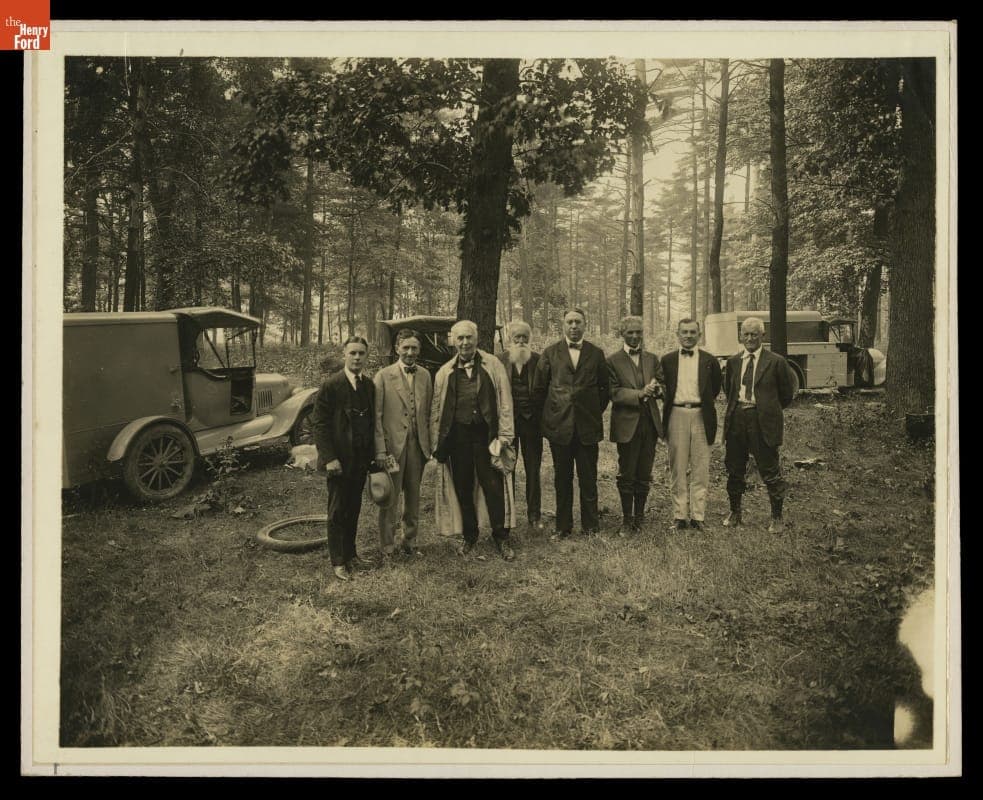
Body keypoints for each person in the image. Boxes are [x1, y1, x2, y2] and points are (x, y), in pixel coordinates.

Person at [431, 320, 517, 560]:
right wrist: (436, 442)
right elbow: (436, 409)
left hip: (486, 437)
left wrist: (505, 436)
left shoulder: (493, 365)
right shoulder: (444, 372)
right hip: (458, 438)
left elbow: (506, 402)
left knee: (493, 486)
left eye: (469, 337)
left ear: (477, 339)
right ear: (453, 341)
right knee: (463, 487)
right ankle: (470, 536)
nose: (465, 342)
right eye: (460, 338)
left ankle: (501, 536)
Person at [534, 307, 610, 540]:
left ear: (585, 325)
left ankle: (591, 527)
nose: (574, 326)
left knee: (588, 478)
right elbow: (539, 389)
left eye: (578, 322)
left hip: (587, 427)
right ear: (563, 325)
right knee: (562, 479)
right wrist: (553, 417)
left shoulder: (596, 354)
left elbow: (604, 390)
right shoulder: (550, 353)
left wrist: (591, 411)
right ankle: (562, 527)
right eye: (570, 322)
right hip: (560, 429)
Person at [722, 316, 796, 534]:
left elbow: (787, 394)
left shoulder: (776, 361)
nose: (750, 338)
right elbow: (730, 390)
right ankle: (735, 512)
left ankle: (776, 518)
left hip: (762, 421)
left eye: (755, 334)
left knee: (770, 470)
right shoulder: (734, 362)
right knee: (734, 468)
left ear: (763, 336)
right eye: (746, 334)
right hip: (737, 419)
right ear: (740, 336)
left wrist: (766, 409)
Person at [312, 336, 376, 582]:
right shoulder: (331, 385)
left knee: (354, 507)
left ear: (366, 356)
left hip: (360, 459)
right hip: (338, 460)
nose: (357, 358)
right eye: (353, 353)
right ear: (344, 355)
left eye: (361, 353)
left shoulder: (369, 386)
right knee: (338, 510)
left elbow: (371, 423)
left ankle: (351, 555)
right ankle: (338, 561)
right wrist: (329, 458)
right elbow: (319, 424)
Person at [373, 328, 433, 559]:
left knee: (414, 496)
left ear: (419, 350)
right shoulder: (383, 376)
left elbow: (427, 412)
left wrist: (429, 445)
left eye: (414, 348)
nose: (410, 352)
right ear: (397, 348)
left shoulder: (426, 376)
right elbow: (376, 417)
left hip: (417, 447)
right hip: (392, 449)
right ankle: (387, 546)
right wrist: (380, 449)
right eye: (405, 347)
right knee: (390, 497)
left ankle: (410, 540)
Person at [661, 318, 723, 531]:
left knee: (701, 467)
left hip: (701, 415)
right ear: (678, 334)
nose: (688, 336)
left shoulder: (709, 361)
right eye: (684, 332)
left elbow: (714, 388)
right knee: (677, 467)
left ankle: (698, 516)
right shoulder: (667, 360)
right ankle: (679, 516)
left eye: (692, 332)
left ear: (699, 335)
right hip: (676, 414)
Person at [607, 315, 666, 537]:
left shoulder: (652, 359)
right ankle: (626, 520)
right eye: (630, 332)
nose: (635, 336)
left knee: (644, 472)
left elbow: (663, 384)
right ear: (622, 333)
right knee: (627, 473)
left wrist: (658, 390)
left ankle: (639, 518)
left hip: (649, 424)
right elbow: (614, 392)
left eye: (638, 332)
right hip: (626, 425)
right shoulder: (612, 361)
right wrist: (640, 393)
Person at [497, 320, 545, 531]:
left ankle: (534, 515)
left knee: (533, 469)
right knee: (508, 469)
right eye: (517, 337)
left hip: (532, 424)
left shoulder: (538, 360)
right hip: (508, 424)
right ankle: (509, 514)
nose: (521, 341)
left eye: (525, 337)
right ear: (510, 339)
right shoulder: (499, 361)